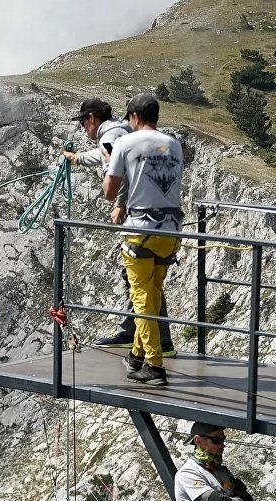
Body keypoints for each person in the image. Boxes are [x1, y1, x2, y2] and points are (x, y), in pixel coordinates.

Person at [62, 98, 176, 358]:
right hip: (166, 222)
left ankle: (157, 348)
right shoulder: (117, 132)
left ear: (92, 118)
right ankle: (136, 334)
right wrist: (76, 158)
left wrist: (119, 203)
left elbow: (117, 171)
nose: (82, 128)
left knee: (141, 284)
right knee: (144, 283)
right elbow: (105, 155)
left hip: (140, 220)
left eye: (82, 121)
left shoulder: (112, 134)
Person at [104, 92, 184, 386]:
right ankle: (137, 355)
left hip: (140, 229)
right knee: (152, 293)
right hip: (171, 229)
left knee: (141, 299)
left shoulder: (125, 143)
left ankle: (154, 364)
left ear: (135, 117)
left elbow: (110, 192)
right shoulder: (174, 144)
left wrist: (109, 163)